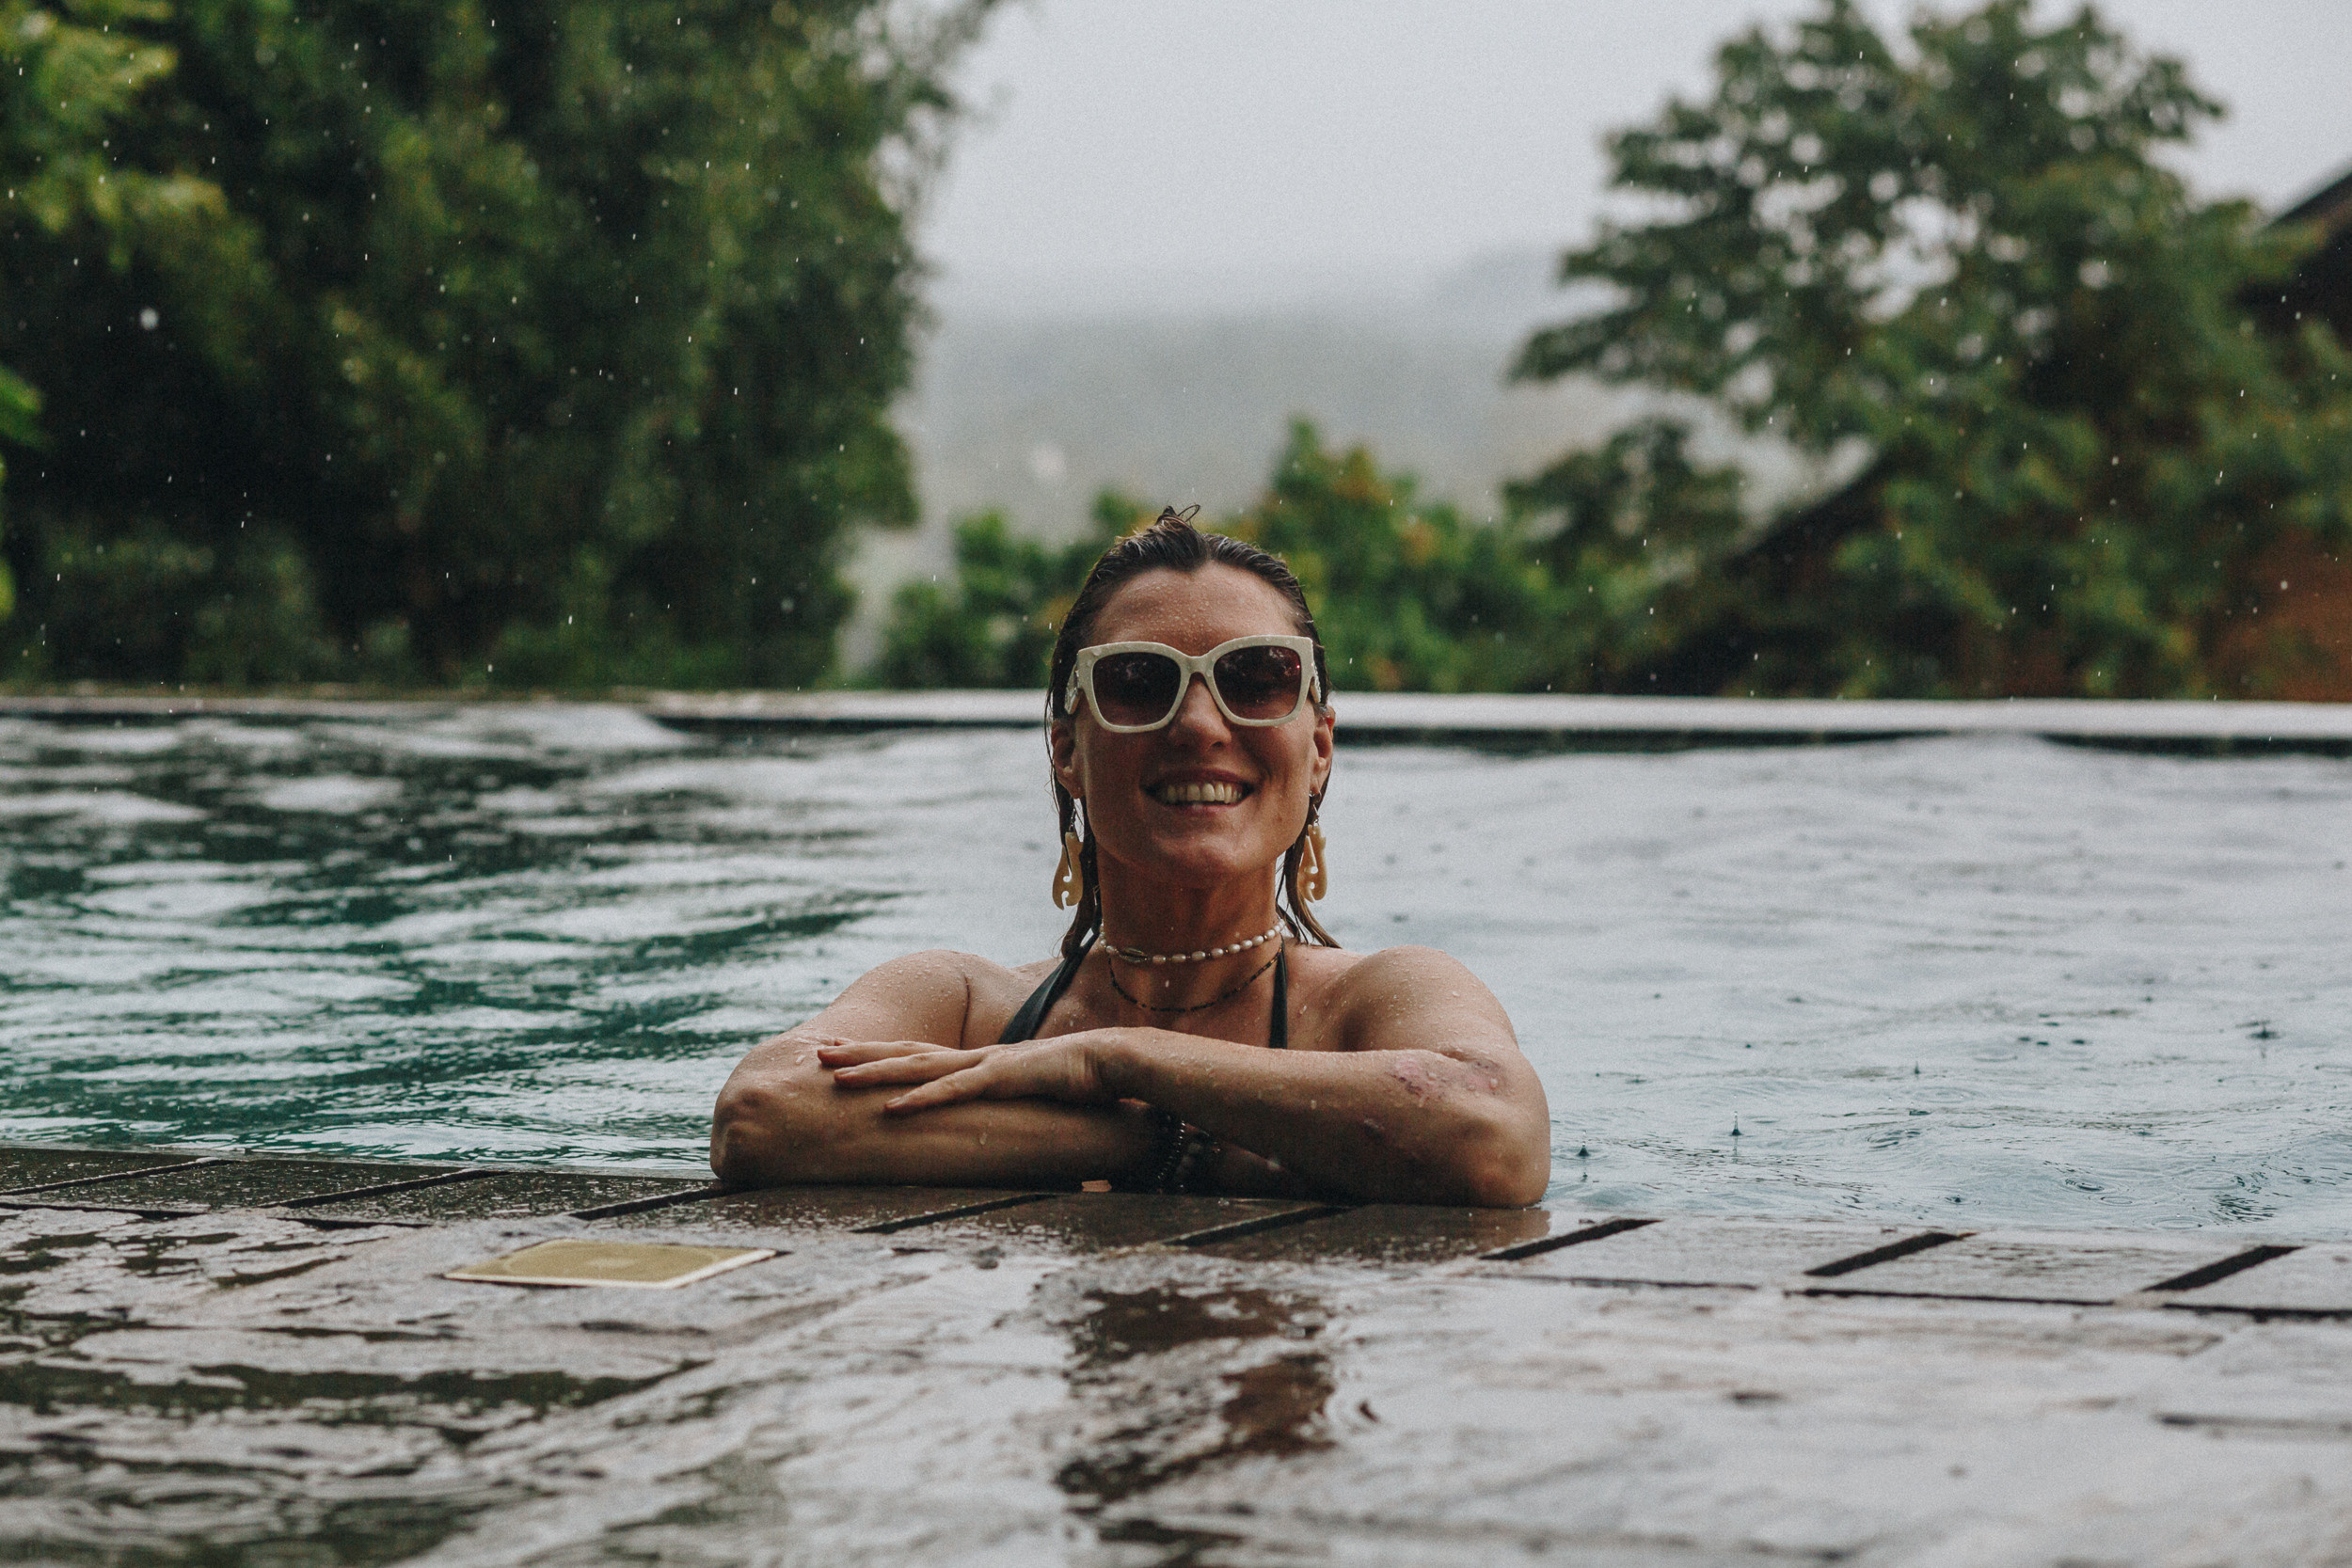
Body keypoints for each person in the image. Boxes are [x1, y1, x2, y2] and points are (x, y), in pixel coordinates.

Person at [709, 509, 1550, 1206]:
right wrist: (1164, 1140)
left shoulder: (1380, 1000)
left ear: (1320, 745)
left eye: (1255, 677)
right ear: (1068, 750)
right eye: (1139, 681)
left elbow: (1494, 1137)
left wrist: (1117, 1058)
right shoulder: (967, 1005)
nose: (1198, 724)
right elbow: (763, 1115)